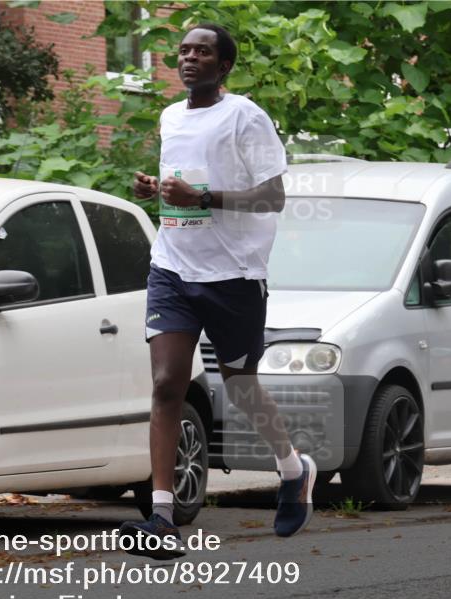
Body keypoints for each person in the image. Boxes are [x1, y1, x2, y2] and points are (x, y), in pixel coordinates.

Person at [121, 24, 315, 558]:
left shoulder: (245, 116)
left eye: (202, 52)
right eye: (183, 51)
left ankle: (293, 470)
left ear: (223, 65)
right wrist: (155, 191)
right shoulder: (169, 116)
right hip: (172, 267)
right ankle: (162, 517)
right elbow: (179, 186)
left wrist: (200, 195)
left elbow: (273, 197)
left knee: (241, 385)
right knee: (166, 384)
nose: (189, 58)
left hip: (233, 275)